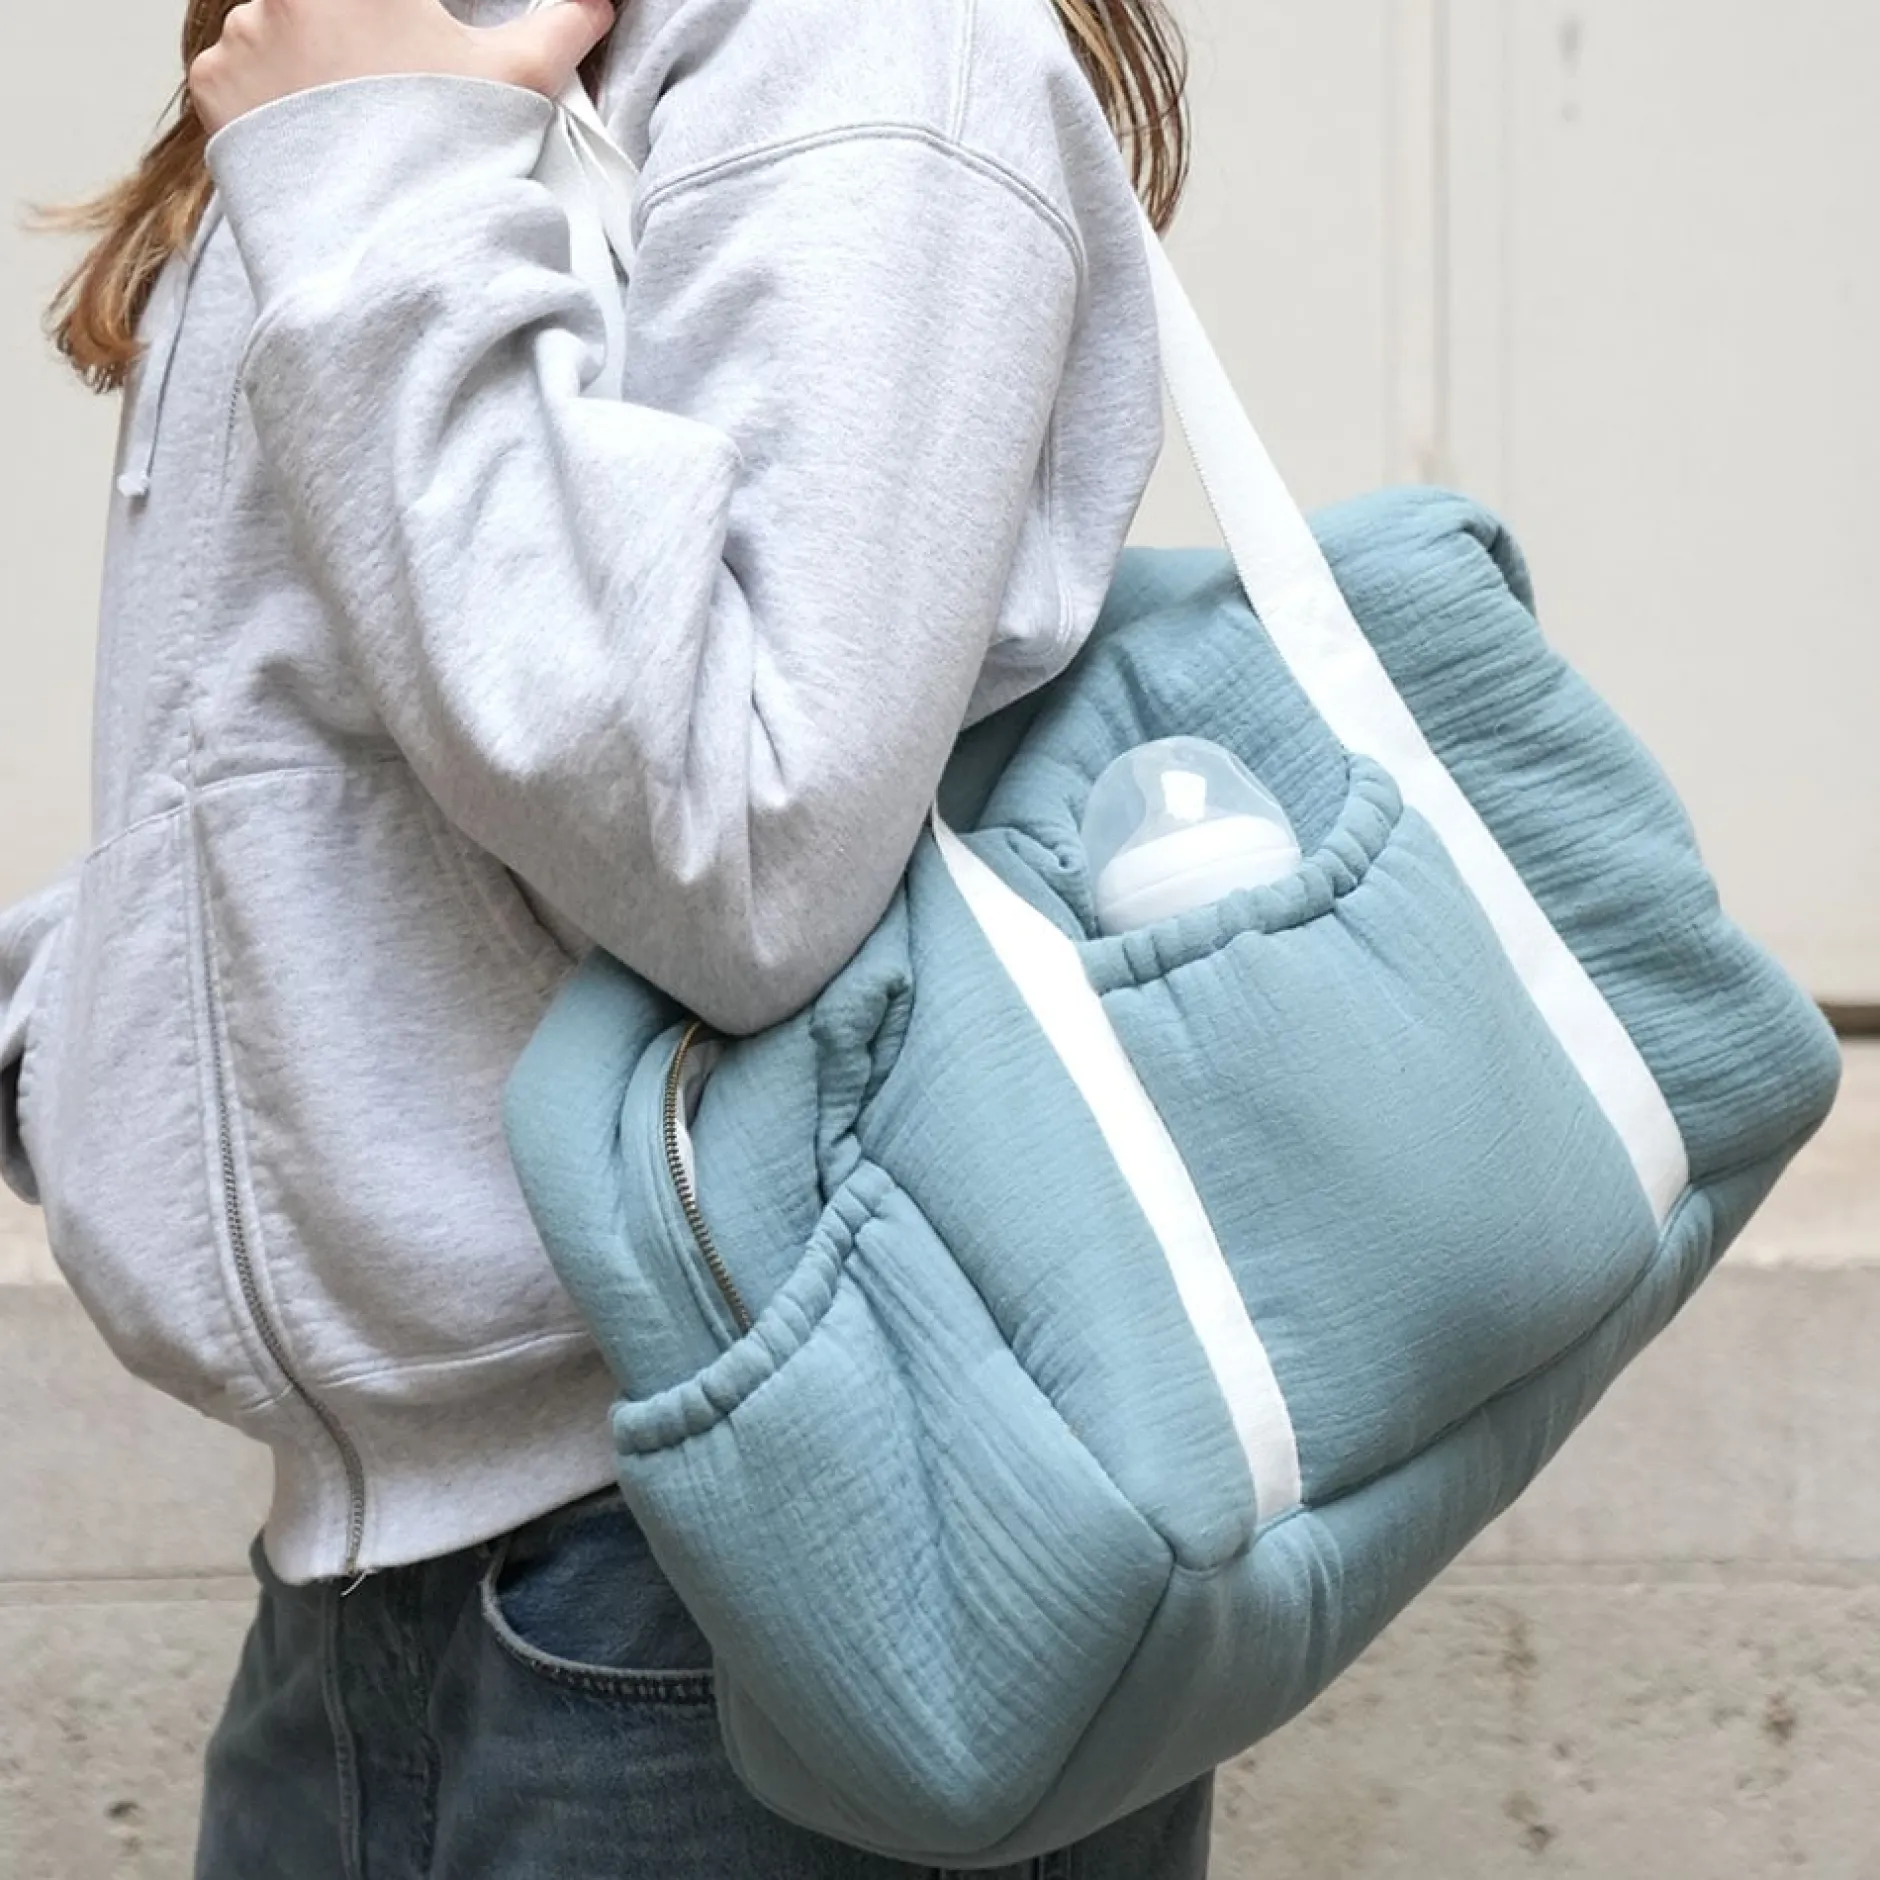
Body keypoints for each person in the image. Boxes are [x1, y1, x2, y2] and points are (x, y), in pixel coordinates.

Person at [2, 0, 1213, 1871]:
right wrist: (76, 1031)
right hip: (370, 1589)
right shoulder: (397, 37)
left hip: (711, 1590)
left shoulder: (860, 50)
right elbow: (306, 764)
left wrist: (372, 178)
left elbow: (748, 851)